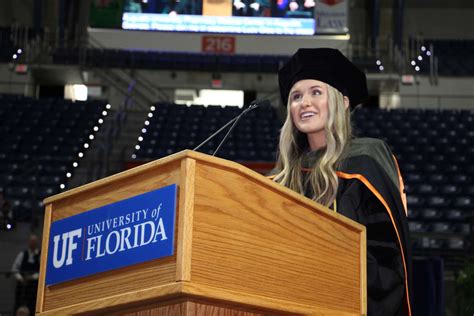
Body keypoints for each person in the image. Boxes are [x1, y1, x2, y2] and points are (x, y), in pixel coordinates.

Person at [272, 48, 412, 315]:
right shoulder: (284, 176)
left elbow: (388, 258)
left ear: (342, 101)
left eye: (316, 92)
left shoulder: (365, 161)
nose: (304, 103)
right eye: (296, 96)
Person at [11, 234, 41, 315]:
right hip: (22, 286)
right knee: (18, 304)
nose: (33, 243)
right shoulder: (22, 254)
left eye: (34, 242)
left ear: (37, 243)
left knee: (33, 305)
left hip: (34, 286)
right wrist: (20, 278)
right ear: (29, 243)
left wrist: (32, 277)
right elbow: (14, 268)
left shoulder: (40, 255)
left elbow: (42, 271)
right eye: (31, 242)